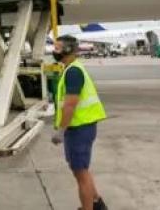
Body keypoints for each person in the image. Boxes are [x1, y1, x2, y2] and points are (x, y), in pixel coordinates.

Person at [50, 35, 108, 210]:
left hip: (79, 129)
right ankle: (96, 202)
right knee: (81, 170)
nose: (54, 51)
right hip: (82, 127)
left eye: (58, 48)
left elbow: (70, 105)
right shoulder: (71, 68)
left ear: (68, 50)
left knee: (80, 173)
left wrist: (61, 130)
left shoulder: (73, 72)